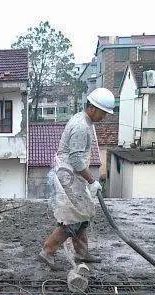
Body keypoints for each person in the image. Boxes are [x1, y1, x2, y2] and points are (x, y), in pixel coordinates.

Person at [39, 88, 115, 268]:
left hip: (72, 175)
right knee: (72, 219)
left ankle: (82, 252)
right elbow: (76, 159)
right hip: (69, 177)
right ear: (92, 108)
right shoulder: (81, 126)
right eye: (103, 112)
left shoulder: (84, 121)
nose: (104, 117)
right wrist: (92, 181)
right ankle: (47, 251)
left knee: (83, 214)